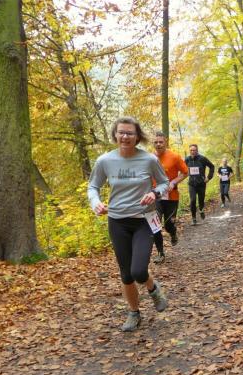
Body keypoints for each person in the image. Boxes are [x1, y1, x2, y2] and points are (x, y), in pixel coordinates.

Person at [87, 117, 169, 332]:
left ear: (137, 136)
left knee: (139, 271)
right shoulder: (105, 161)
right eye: (121, 132)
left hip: (143, 220)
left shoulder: (149, 159)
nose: (125, 136)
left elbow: (164, 182)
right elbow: (93, 187)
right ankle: (134, 313)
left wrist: (154, 193)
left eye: (130, 133)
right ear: (115, 134)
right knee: (126, 274)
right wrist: (96, 203)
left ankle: (153, 288)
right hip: (117, 221)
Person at [152, 131, 188, 263]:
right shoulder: (149, 158)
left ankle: (172, 233)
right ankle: (160, 253)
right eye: (156, 142)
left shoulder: (174, 156)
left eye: (161, 142)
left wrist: (173, 182)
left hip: (171, 196)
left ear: (165, 142)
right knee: (155, 224)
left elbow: (185, 172)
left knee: (168, 225)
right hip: (154, 196)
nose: (158, 144)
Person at [185, 144, 214, 225]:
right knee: (193, 200)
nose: (192, 152)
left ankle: (201, 209)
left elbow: (212, 166)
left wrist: (208, 177)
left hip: (201, 183)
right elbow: (182, 168)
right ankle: (194, 218)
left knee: (201, 200)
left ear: (197, 150)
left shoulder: (202, 158)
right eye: (191, 150)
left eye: (194, 150)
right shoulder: (187, 159)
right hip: (191, 184)